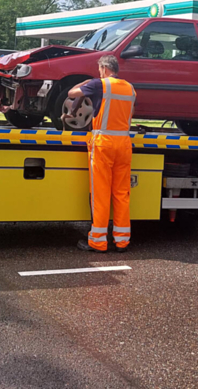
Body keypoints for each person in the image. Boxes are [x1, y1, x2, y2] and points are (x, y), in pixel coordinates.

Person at [63, 55, 136, 253]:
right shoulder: (130, 88)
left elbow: (72, 93)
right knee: (121, 194)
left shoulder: (98, 85)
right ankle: (122, 241)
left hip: (103, 144)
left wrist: (86, 82)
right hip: (124, 144)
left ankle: (98, 241)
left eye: (99, 70)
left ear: (104, 68)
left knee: (101, 194)